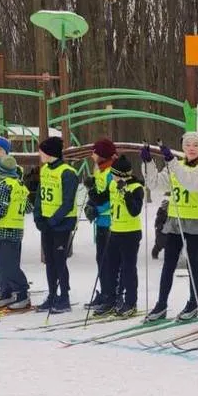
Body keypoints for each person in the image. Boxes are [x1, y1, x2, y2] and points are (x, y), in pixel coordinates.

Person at [141, 132, 198, 322]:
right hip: (175, 220)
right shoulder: (175, 165)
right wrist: (148, 164)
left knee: (192, 263)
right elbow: (154, 184)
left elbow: (190, 182)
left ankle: (193, 303)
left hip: (195, 221)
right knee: (169, 263)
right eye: (187, 144)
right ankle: (161, 304)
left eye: (195, 145)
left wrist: (171, 162)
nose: (191, 148)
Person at [88, 154, 144, 317]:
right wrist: (91, 188)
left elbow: (135, 211)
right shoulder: (112, 184)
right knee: (109, 268)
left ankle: (130, 302)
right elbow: (100, 199)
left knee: (128, 269)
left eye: (114, 174)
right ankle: (110, 300)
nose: (112, 177)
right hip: (115, 231)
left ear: (122, 175)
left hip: (130, 233)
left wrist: (125, 191)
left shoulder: (135, 188)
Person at [32, 136, 78, 314]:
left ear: (50, 153)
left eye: (42, 151)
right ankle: (52, 294)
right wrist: (38, 217)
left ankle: (64, 296)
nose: (39, 154)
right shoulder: (44, 170)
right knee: (49, 261)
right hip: (47, 223)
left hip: (62, 223)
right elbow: (39, 196)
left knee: (59, 260)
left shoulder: (67, 172)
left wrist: (53, 220)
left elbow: (68, 202)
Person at [0, 154, 30, 310]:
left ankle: (22, 292)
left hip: (5, 229)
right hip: (15, 229)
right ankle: (7, 292)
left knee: (7, 265)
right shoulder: (19, 185)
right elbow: (28, 207)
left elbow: (0, 210)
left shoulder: (5, 185)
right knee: (5, 264)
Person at [84, 137, 117, 306]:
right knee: (101, 260)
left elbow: (112, 199)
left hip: (110, 222)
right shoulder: (100, 170)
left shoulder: (112, 172)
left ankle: (112, 294)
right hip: (101, 224)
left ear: (102, 155)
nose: (92, 155)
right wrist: (91, 202)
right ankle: (105, 292)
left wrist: (97, 209)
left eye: (95, 152)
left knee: (108, 261)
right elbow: (98, 194)